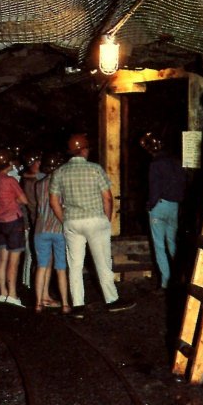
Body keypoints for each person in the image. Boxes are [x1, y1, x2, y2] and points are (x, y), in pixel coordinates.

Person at [49, 133, 135, 317]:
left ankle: (78, 305)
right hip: (95, 219)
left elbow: (54, 201)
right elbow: (107, 197)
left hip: (72, 221)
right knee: (102, 262)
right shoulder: (95, 169)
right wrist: (107, 218)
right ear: (83, 150)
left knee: (75, 265)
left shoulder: (60, 172)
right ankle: (112, 300)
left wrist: (64, 219)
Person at [140, 132, 187, 290]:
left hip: (159, 206)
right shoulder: (176, 161)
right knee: (172, 242)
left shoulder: (155, 164)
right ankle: (180, 277)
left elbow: (155, 189)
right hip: (174, 205)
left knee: (159, 246)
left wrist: (150, 205)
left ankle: (165, 282)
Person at [0, 148, 29, 307]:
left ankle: (3, 292)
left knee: (2, 257)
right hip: (13, 221)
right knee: (14, 259)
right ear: (9, 163)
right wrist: (14, 202)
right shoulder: (9, 180)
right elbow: (24, 200)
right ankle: (13, 294)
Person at [33, 153, 69, 314]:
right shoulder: (63, 184)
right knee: (60, 268)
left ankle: (39, 303)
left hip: (41, 229)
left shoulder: (39, 184)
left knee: (41, 266)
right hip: (58, 229)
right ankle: (66, 304)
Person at [20, 149, 44, 289]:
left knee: (33, 254)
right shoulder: (29, 181)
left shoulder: (36, 178)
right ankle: (28, 283)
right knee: (33, 254)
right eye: (37, 161)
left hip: (37, 219)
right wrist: (26, 222)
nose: (39, 163)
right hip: (34, 220)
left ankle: (28, 282)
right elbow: (24, 204)